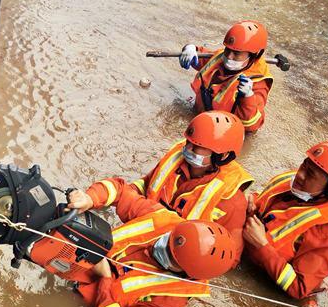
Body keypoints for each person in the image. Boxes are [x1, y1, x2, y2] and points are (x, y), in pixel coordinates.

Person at [67, 111, 252, 263]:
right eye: (189, 143)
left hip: (171, 259)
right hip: (147, 229)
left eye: (197, 147)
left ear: (222, 155)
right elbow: (142, 186)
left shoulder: (231, 200)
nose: (189, 149)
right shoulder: (177, 158)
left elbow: (229, 258)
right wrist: (93, 197)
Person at [73, 195, 236, 307]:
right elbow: (122, 192)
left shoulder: (171, 302)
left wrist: (105, 279)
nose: (160, 245)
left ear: (186, 273)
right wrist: (90, 198)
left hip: (82, 299)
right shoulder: (163, 218)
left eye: (170, 255)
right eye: (168, 239)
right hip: (72, 261)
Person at [242, 141, 328, 299]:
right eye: (305, 165)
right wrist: (252, 203)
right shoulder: (304, 185)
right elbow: (271, 203)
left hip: (270, 275)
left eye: (311, 174)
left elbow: (299, 288)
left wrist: (262, 246)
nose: (300, 174)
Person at [179, 20, 273, 132]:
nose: (229, 56)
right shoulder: (220, 57)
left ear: (254, 55)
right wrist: (190, 48)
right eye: (228, 50)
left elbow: (252, 124)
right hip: (201, 119)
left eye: (237, 54)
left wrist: (248, 96)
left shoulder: (258, 83)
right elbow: (200, 56)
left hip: (223, 132)